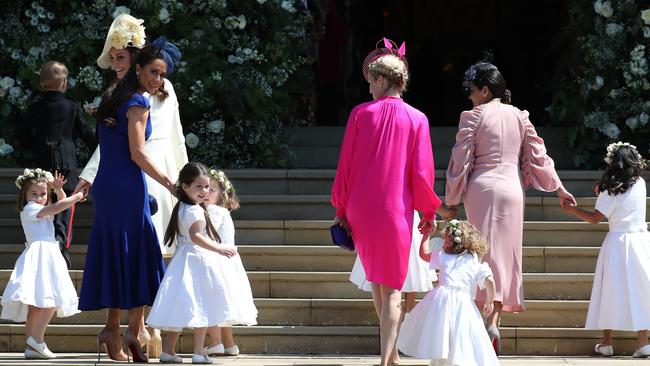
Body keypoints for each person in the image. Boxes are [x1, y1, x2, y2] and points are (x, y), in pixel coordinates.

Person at [331, 38, 453, 366]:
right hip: (395, 210)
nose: (368, 87)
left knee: (377, 278)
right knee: (393, 287)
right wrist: (428, 213)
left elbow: (346, 166)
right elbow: (422, 173)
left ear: (382, 80)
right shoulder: (417, 119)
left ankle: (391, 355)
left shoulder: (359, 114)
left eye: (371, 81)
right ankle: (387, 358)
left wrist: (341, 207)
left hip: (362, 209)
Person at [74, 14, 187, 358]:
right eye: (153, 72)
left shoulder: (112, 95)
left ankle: (118, 330)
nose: (158, 79)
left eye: (162, 74)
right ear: (139, 68)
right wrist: (171, 183)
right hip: (128, 183)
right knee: (138, 254)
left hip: (110, 184)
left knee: (118, 252)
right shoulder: (137, 102)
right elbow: (138, 153)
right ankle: (127, 333)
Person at [445, 62, 576, 353]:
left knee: (480, 253)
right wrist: (559, 188)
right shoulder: (520, 116)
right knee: (506, 256)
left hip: (482, 188)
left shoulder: (474, 116)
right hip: (513, 190)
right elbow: (539, 155)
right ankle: (495, 321)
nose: (470, 96)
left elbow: (460, 160)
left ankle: (483, 323)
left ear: (485, 89)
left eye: (472, 90)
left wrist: (451, 200)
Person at [146, 162, 239, 365]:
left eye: (207, 187)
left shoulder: (182, 206)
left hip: (183, 260)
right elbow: (196, 236)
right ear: (185, 186)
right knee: (201, 306)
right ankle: (198, 352)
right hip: (198, 260)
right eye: (199, 187)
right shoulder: (195, 210)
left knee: (182, 305)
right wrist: (219, 248)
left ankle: (169, 350)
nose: (205, 191)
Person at [563, 142, 650, 358]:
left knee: (609, 290)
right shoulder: (640, 183)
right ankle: (642, 343)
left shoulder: (610, 188)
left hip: (617, 243)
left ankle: (607, 342)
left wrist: (573, 210)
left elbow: (595, 218)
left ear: (614, 163)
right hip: (640, 240)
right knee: (642, 289)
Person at [21, 60, 96, 268]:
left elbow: (24, 136)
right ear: (64, 83)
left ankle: (45, 248)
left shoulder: (36, 107)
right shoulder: (72, 106)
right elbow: (86, 135)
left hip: (43, 163)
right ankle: (61, 248)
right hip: (66, 164)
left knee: (43, 205)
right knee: (64, 207)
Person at [1, 169, 83, 359]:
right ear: (25, 195)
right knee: (52, 298)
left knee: (37, 304)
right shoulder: (30, 209)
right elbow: (56, 208)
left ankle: (31, 346)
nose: (39, 197)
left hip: (47, 253)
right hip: (41, 254)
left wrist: (59, 190)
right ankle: (37, 339)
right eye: (34, 193)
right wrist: (76, 196)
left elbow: (60, 207)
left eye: (43, 194)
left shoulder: (41, 208)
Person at [397, 220, 499, 365]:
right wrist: (490, 300)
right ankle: (458, 360)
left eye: (446, 240)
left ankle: (444, 361)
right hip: (464, 302)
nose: (443, 243)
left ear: (456, 243)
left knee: (443, 333)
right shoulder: (474, 261)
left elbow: (424, 254)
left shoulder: (443, 256)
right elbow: (490, 281)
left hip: (442, 300)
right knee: (461, 333)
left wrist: (426, 235)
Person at [203, 169, 257, 357]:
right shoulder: (223, 211)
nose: (207, 192)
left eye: (213, 190)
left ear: (221, 195)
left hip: (217, 261)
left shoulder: (213, 211)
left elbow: (207, 235)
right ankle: (229, 344)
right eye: (205, 188)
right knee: (224, 306)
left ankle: (216, 342)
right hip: (228, 263)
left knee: (213, 304)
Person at [349, 211, 436, 312]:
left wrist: (430, 213)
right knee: (380, 271)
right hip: (382, 217)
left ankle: (407, 314)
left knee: (412, 264)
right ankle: (388, 319)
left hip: (403, 216)